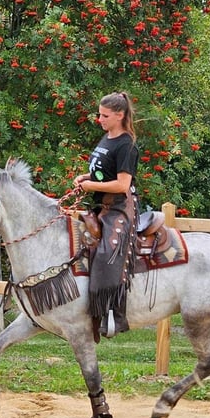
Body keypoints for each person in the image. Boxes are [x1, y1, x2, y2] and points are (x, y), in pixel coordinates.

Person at [74, 91, 140, 339]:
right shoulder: (107, 138)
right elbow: (106, 173)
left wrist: (92, 186)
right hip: (102, 205)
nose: (99, 119)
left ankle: (113, 314)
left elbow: (122, 184)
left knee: (107, 252)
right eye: (99, 114)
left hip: (121, 206)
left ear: (120, 115)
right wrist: (87, 178)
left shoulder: (126, 144)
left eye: (104, 115)